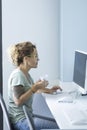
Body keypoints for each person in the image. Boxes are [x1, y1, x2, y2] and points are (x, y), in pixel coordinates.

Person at [7, 41, 62, 130]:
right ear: (26, 59)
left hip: (27, 117)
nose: (38, 59)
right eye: (35, 56)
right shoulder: (18, 75)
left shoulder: (25, 74)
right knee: (60, 125)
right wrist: (34, 88)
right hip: (21, 121)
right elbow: (18, 101)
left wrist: (50, 90)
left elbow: (33, 90)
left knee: (58, 123)